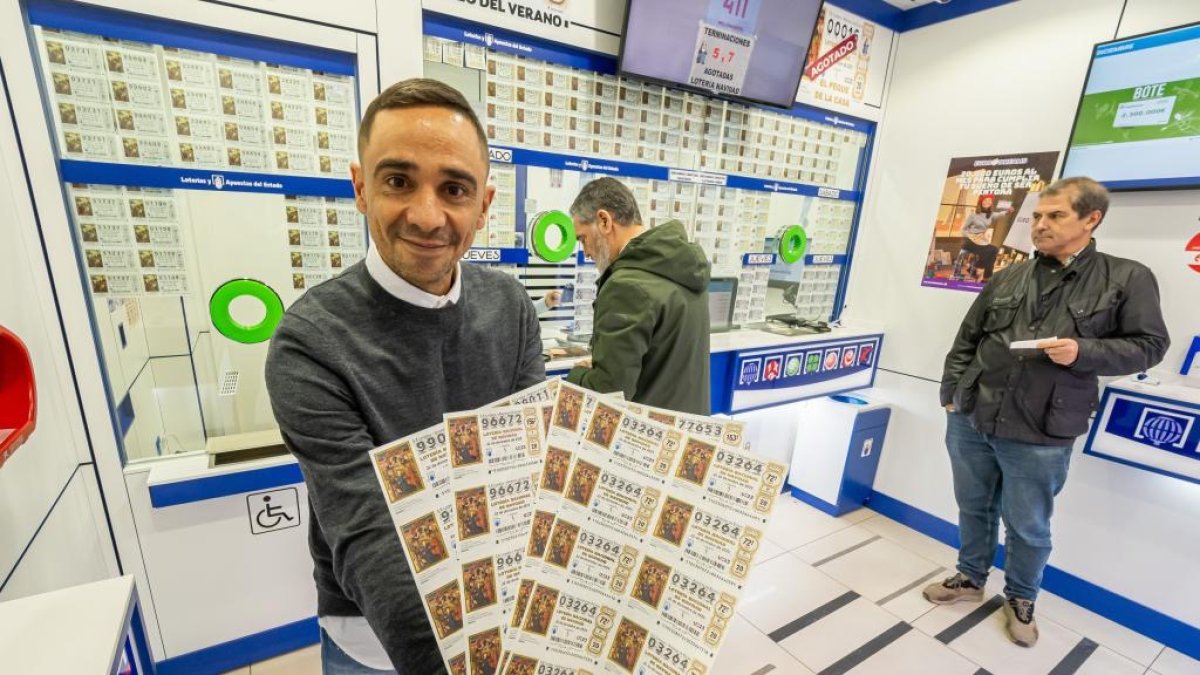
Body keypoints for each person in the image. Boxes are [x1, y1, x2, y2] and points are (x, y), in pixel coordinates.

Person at [265, 78, 545, 673]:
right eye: (397, 181)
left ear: (484, 205)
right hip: (372, 638)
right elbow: (368, 533)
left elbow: (530, 467)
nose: (426, 215)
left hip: (504, 608)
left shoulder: (511, 307)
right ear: (360, 188)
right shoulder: (310, 342)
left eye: (454, 189)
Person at [926, 177, 1168, 647]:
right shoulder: (1009, 275)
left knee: (1028, 524)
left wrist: (1083, 351)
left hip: (1042, 429)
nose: (1040, 225)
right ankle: (970, 578)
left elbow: (1150, 346)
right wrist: (951, 395)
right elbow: (967, 339)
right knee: (974, 506)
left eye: (1055, 216)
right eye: (1037, 215)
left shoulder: (1126, 278)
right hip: (972, 417)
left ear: (1091, 219)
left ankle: (1021, 598)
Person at [565, 177, 711, 414]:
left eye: (583, 238)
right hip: (687, 427)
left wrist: (578, 376)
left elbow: (609, 392)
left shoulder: (625, 285)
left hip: (646, 431)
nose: (586, 252)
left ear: (604, 221)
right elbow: (662, 364)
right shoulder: (685, 269)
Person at [956, 193, 1013, 282]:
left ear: (991, 203)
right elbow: (962, 230)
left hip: (980, 241)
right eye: (985, 200)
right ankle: (981, 273)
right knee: (989, 251)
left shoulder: (991, 215)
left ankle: (983, 274)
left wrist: (1008, 211)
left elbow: (1000, 214)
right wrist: (972, 236)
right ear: (981, 202)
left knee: (994, 249)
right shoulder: (973, 215)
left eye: (989, 201)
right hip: (969, 241)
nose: (987, 202)